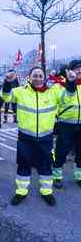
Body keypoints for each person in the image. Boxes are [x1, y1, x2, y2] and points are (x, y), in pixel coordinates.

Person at [1, 66, 75, 206]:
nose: (38, 78)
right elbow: (6, 96)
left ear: (44, 78)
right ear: (29, 77)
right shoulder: (20, 92)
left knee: (45, 166)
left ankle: (46, 191)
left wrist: (71, 82)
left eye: (40, 76)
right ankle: (21, 191)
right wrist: (7, 81)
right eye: (35, 75)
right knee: (23, 165)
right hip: (25, 138)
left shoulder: (53, 93)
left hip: (45, 139)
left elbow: (69, 97)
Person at [52, 60, 81, 189]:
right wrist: (70, 84)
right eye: (77, 68)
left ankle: (79, 176)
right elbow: (58, 101)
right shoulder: (60, 85)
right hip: (66, 124)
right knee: (61, 152)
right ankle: (57, 176)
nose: (79, 71)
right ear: (70, 71)